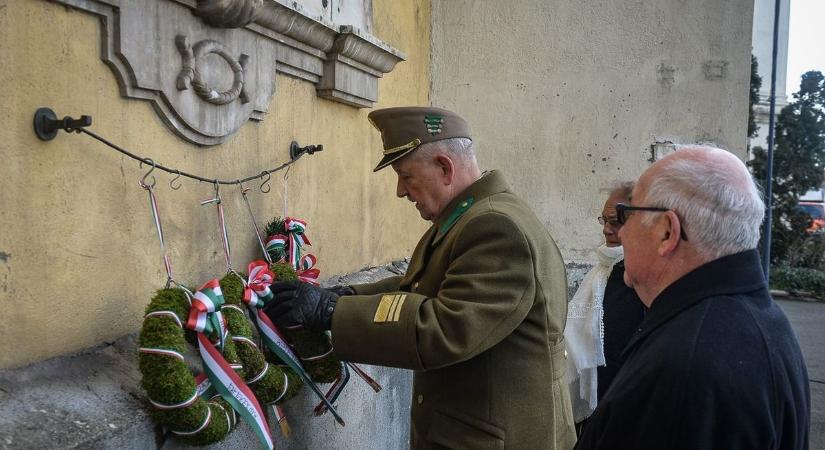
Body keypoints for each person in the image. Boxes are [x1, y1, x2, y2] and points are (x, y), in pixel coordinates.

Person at [265, 106, 576, 449]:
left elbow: (448, 327)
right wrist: (344, 296)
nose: (401, 191)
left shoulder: (494, 227)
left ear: (444, 167)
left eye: (405, 175)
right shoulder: (469, 217)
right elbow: (417, 287)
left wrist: (330, 312)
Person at [575, 145, 810, 450]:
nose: (620, 233)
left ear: (667, 233)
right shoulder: (761, 320)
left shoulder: (683, 367)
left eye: (626, 215)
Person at [565, 182, 645, 429]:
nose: (607, 231)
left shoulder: (642, 277)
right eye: (604, 221)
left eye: (616, 222)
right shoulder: (603, 272)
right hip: (596, 409)